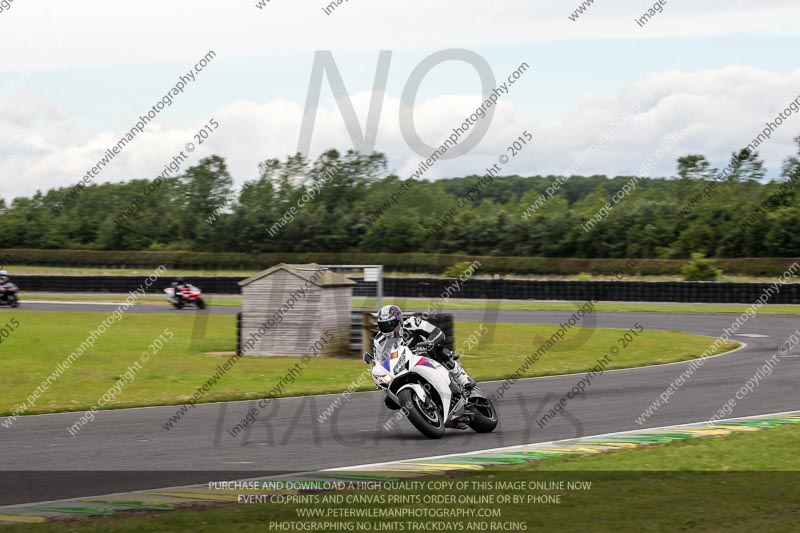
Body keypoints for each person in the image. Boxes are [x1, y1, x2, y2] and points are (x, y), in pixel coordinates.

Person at [376, 304, 475, 390]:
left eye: (390, 324)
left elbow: (438, 332)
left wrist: (428, 342)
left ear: (399, 321)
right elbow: (380, 361)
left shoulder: (412, 322)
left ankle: (462, 377)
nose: (387, 328)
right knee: (388, 400)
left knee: (440, 351)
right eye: (383, 325)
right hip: (401, 368)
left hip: (424, 356)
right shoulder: (378, 340)